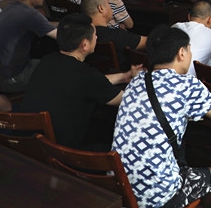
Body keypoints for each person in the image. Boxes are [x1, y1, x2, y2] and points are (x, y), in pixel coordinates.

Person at [113, 26, 211, 208]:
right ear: (182, 53)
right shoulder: (188, 85)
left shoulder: (137, 81)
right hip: (156, 196)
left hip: (120, 186)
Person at [21, 14, 141, 149]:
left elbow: (89, 83)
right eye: (94, 35)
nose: (96, 38)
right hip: (60, 150)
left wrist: (123, 76)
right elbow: (127, 100)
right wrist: (138, 81)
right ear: (84, 44)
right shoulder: (87, 76)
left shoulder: (48, 60)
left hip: (30, 141)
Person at [0, 0, 57, 92]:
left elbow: (43, 25)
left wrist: (61, 24)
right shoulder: (30, 14)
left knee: (48, 59)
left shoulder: (11, 7)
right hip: (12, 78)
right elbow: (62, 37)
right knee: (62, 68)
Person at [81, 0, 146, 70]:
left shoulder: (80, 36)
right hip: (123, 75)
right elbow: (150, 42)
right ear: (101, 8)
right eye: (108, 5)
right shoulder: (117, 35)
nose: (111, 8)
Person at [172, 1, 211, 74]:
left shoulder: (175, 26)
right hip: (190, 79)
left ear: (189, 16)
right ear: (210, 19)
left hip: (163, 75)